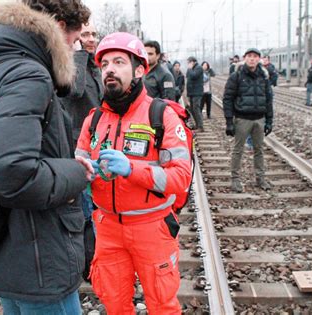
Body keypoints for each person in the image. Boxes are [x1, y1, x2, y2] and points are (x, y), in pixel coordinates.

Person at [0, 0, 93, 313]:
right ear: (56, 25)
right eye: (75, 38)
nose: (75, 47)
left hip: (7, 248)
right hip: (39, 257)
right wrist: (73, 174)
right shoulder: (28, 74)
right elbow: (4, 171)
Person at [76, 32, 192, 314]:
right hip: (107, 228)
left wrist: (131, 169)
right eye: (104, 65)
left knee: (162, 305)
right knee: (114, 305)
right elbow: (78, 165)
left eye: (119, 62)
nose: (110, 70)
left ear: (139, 70)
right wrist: (84, 175)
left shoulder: (161, 115)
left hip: (152, 226)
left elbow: (180, 178)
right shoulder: (94, 120)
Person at [60, 20, 103, 281]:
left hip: (99, 144)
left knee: (97, 208)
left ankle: (96, 260)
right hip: (77, 146)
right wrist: (78, 55)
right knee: (85, 211)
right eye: (84, 34)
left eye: (93, 34)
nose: (90, 38)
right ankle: (88, 266)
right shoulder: (70, 64)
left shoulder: (96, 66)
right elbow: (74, 92)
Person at [223, 48, 273, 193]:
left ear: (259, 59)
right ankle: (235, 179)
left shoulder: (263, 77)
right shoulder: (236, 76)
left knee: (259, 150)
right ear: (245, 58)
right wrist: (229, 122)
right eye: (249, 56)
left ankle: (260, 178)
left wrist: (269, 120)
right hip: (242, 119)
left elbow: (268, 99)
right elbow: (228, 99)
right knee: (238, 150)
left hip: (259, 119)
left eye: (255, 56)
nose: (252, 59)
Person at [186, 56, 204, 131]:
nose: (188, 64)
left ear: (192, 62)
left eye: (188, 62)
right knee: (192, 109)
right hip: (192, 92)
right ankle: (197, 125)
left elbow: (194, 76)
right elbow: (188, 77)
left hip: (197, 92)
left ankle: (200, 126)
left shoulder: (199, 68)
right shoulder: (192, 69)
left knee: (196, 108)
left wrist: (189, 69)